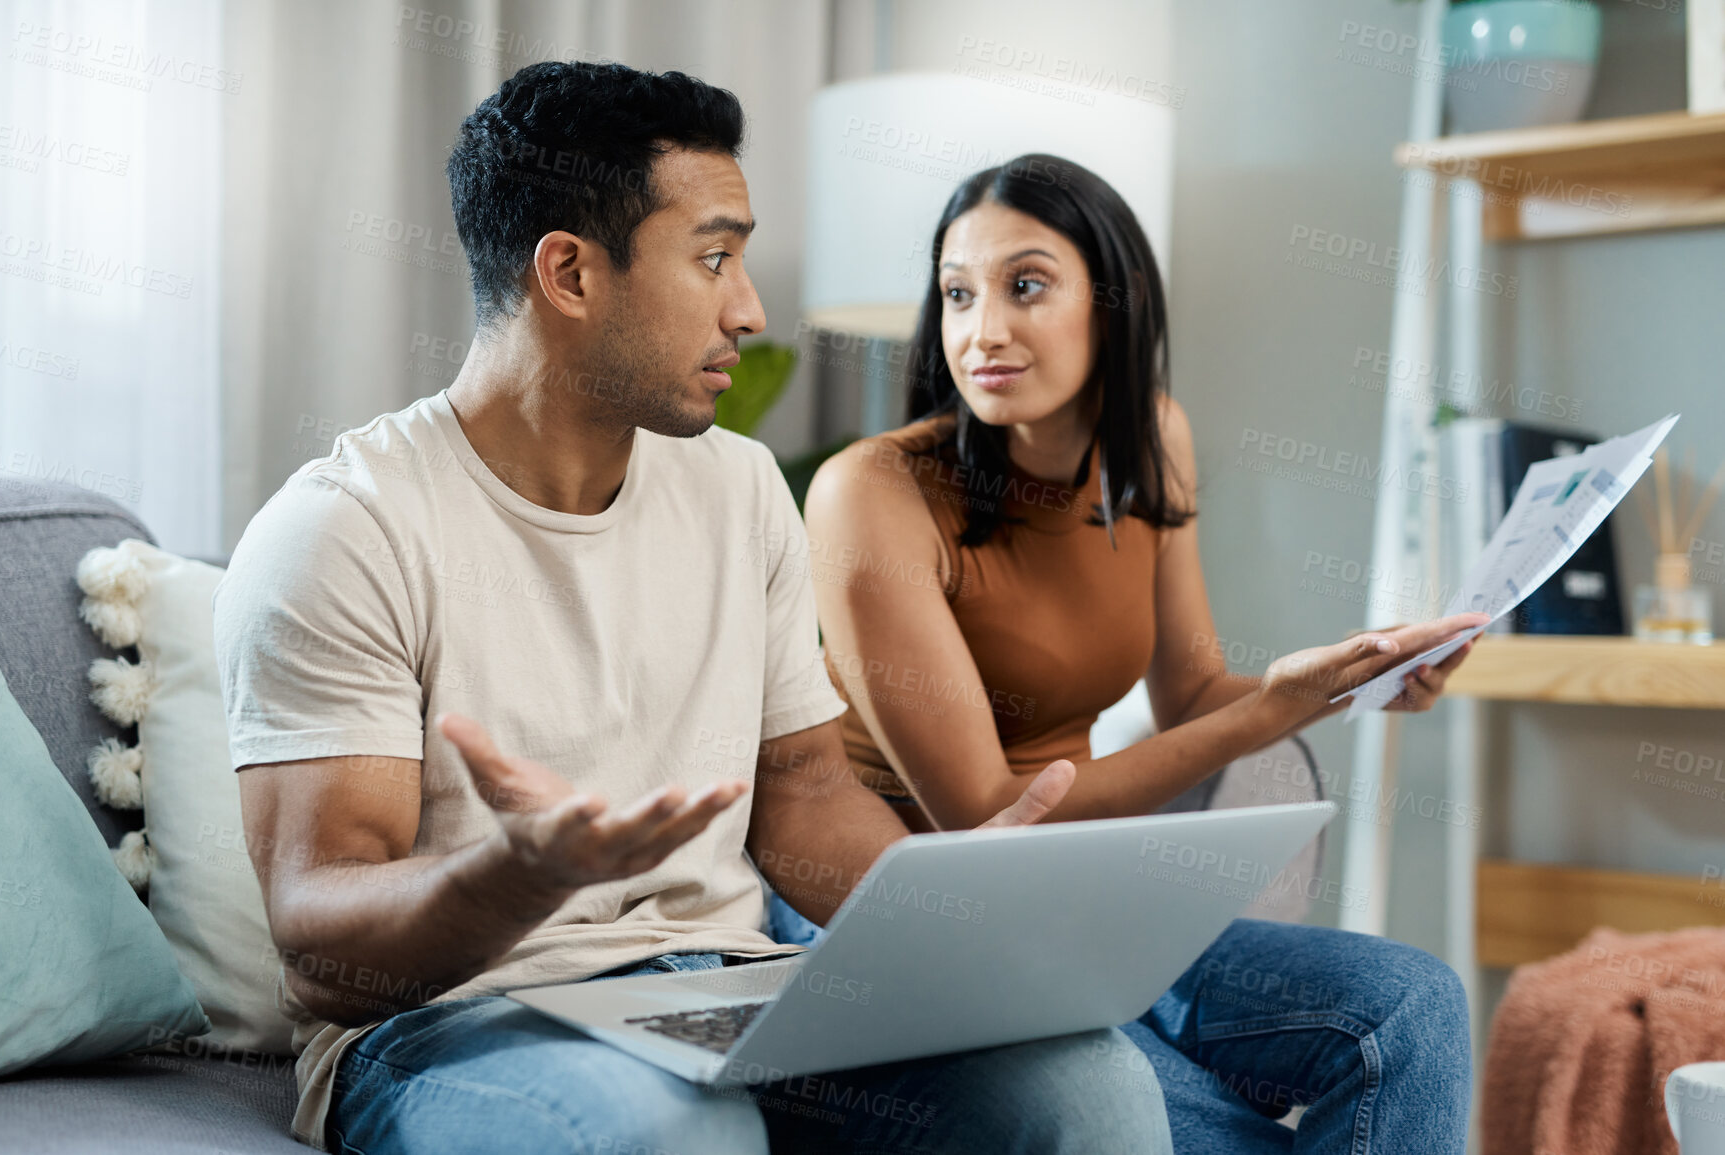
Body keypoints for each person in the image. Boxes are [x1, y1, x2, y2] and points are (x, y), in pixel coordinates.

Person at [213, 67, 1176, 1155]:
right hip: (462, 1025)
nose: (751, 310)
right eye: (714, 258)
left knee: (1082, 1082)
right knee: (673, 1132)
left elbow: (806, 792)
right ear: (570, 273)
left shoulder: (741, 486)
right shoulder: (347, 530)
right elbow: (322, 954)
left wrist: (950, 902)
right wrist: (516, 875)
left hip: (728, 992)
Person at [801, 152, 1486, 1154]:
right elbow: (990, 815)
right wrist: (1273, 710)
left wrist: (1352, 681)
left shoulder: (1153, 439)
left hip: (1087, 899)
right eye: (956, 293)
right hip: (926, 916)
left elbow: (1197, 692)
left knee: (1412, 1007)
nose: (980, 329)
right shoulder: (873, 491)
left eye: (1024, 285)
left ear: (1112, 307)